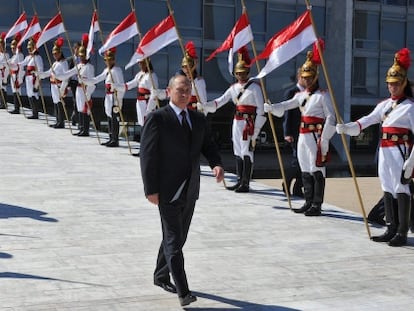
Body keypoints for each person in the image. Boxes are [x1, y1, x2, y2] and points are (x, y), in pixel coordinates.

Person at [140, 74, 224, 307]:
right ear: (169, 92)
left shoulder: (198, 119)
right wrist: (150, 189)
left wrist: (217, 164)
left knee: (177, 237)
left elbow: (208, 145)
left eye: (188, 90)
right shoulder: (158, 118)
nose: (185, 93)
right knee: (174, 240)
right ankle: (184, 292)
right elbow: (147, 156)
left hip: (190, 189)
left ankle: (160, 274)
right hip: (166, 191)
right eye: (180, 90)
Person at [337, 48, 414, 246]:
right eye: (390, 83)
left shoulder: (410, 106)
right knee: (387, 187)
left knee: (401, 188)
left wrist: (411, 161)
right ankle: (390, 227)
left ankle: (402, 232)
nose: (393, 87)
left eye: (396, 83)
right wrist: (347, 128)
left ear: (404, 83)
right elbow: (367, 120)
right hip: (385, 150)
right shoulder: (384, 105)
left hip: (399, 151)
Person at [264, 46, 336, 216]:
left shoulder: (323, 95)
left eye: (310, 77)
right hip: (302, 135)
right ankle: (308, 201)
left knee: (316, 169)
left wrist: (325, 139)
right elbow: (287, 105)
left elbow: (331, 118)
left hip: (315, 135)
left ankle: (317, 204)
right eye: (305, 77)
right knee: (304, 168)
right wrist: (272, 107)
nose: (307, 80)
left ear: (316, 76)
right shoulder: (300, 95)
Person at [202, 46, 266, 193]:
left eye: (243, 73)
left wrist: (256, 131)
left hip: (248, 123)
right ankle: (239, 179)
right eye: (238, 73)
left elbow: (261, 111)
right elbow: (220, 101)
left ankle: (246, 182)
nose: (240, 76)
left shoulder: (255, 88)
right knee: (237, 150)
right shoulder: (233, 88)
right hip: (237, 122)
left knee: (247, 152)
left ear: (248, 72)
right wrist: (206, 106)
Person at [111, 58, 158, 155]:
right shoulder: (140, 75)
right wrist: (117, 86)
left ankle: (147, 150)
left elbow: (154, 94)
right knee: (141, 125)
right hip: (140, 103)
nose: (140, 65)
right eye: (139, 63)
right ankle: (143, 149)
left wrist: (150, 109)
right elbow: (129, 85)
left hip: (146, 103)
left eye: (142, 63)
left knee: (146, 127)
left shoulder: (152, 76)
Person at [53, 34, 95, 137]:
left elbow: (92, 82)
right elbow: (69, 73)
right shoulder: (79, 65)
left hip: (85, 89)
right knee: (80, 108)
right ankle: (81, 127)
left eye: (82, 56)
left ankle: (85, 129)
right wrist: (58, 75)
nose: (80, 57)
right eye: (80, 56)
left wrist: (88, 93)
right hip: (78, 89)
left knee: (85, 109)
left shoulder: (89, 67)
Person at [83, 47, 124, 147]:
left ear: (113, 60)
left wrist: (119, 100)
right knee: (109, 116)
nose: (108, 62)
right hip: (108, 96)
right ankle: (111, 137)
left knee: (114, 118)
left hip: (114, 97)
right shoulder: (106, 70)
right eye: (106, 60)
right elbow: (97, 79)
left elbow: (121, 86)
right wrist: (86, 81)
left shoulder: (116, 71)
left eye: (110, 60)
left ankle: (115, 139)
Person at [152, 41, 207, 112]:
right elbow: (170, 93)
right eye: (184, 67)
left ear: (193, 66)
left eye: (188, 66)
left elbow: (204, 103)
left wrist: (201, 114)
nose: (186, 69)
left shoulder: (199, 82)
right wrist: (159, 93)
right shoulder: (180, 80)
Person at [282, 68, 306, 197]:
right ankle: (286, 183)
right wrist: (287, 133)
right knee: (297, 160)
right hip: (295, 132)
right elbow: (287, 114)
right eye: (304, 77)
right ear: (299, 77)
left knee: (305, 161)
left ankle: (298, 187)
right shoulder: (291, 92)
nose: (307, 80)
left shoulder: (311, 93)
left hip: (308, 132)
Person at [37, 37, 69, 128]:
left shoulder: (63, 63)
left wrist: (63, 89)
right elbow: (48, 73)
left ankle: (61, 122)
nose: (55, 55)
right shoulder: (55, 63)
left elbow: (66, 77)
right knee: (55, 103)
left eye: (56, 53)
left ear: (60, 53)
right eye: (53, 54)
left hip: (59, 85)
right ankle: (57, 120)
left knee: (60, 103)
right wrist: (39, 74)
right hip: (53, 85)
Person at [19, 35, 44, 119]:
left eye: (30, 48)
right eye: (28, 48)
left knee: (34, 94)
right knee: (29, 94)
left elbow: (40, 70)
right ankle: (33, 111)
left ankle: (36, 112)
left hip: (33, 78)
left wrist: (37, 83)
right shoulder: (29, 57)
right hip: (28, 78)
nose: (29, 50)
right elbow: (22, 63)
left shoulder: (38, 57)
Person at [8, 32, 24, 114]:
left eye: (14, 48)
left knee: (17, 91)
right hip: (13, 74)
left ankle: (17, 108)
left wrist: (20, 79)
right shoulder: (14, 56)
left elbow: (20, 67)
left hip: (17, 75)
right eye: (11, 48)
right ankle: (15, 107)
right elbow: (9, 63)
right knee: (14, 91)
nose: (12, 49)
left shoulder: (20, 55)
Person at [67, 41, 80, 126]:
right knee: (75, 99)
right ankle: (75, 116)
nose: (77, 50)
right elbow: (68, 71)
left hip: (80, 82)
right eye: (76, 49)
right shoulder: (71, 59)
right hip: (73, 82)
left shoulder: (83, 59)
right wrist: (68, 84)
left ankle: (76, 116)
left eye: (79, 49)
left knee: (79, 100)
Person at [0, 32, 9, 109]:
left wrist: (5, 76)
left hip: (3, 73)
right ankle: (1, 102)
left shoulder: (6, 55)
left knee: (3, 88)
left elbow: (6, 65)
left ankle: (4, 103)